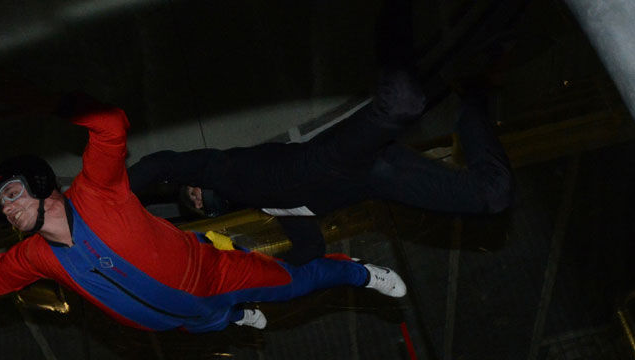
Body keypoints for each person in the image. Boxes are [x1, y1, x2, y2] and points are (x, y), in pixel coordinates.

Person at [0, 96, 405, 334]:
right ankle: (233, 316)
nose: (8, 207)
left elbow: (110, 125)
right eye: (1, 205)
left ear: (39, 183)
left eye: (12, 193)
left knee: (296, 283)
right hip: (180, 321)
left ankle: (359, 273)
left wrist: (54, 105)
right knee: (214, 322)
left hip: (215, 274)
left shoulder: (94, 191)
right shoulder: (36, 255)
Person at [128, 0, 514, 264]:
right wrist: (253, 272)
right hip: (380, 179)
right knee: (493, 196)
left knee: (403, 104)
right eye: (197, 203)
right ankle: (473, 93)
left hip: (334, 156)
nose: (197, 196)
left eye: (192, 191)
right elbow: (309, 251)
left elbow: (162, 164)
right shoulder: (276, 210)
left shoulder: (223, 169)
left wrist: (114, 194)